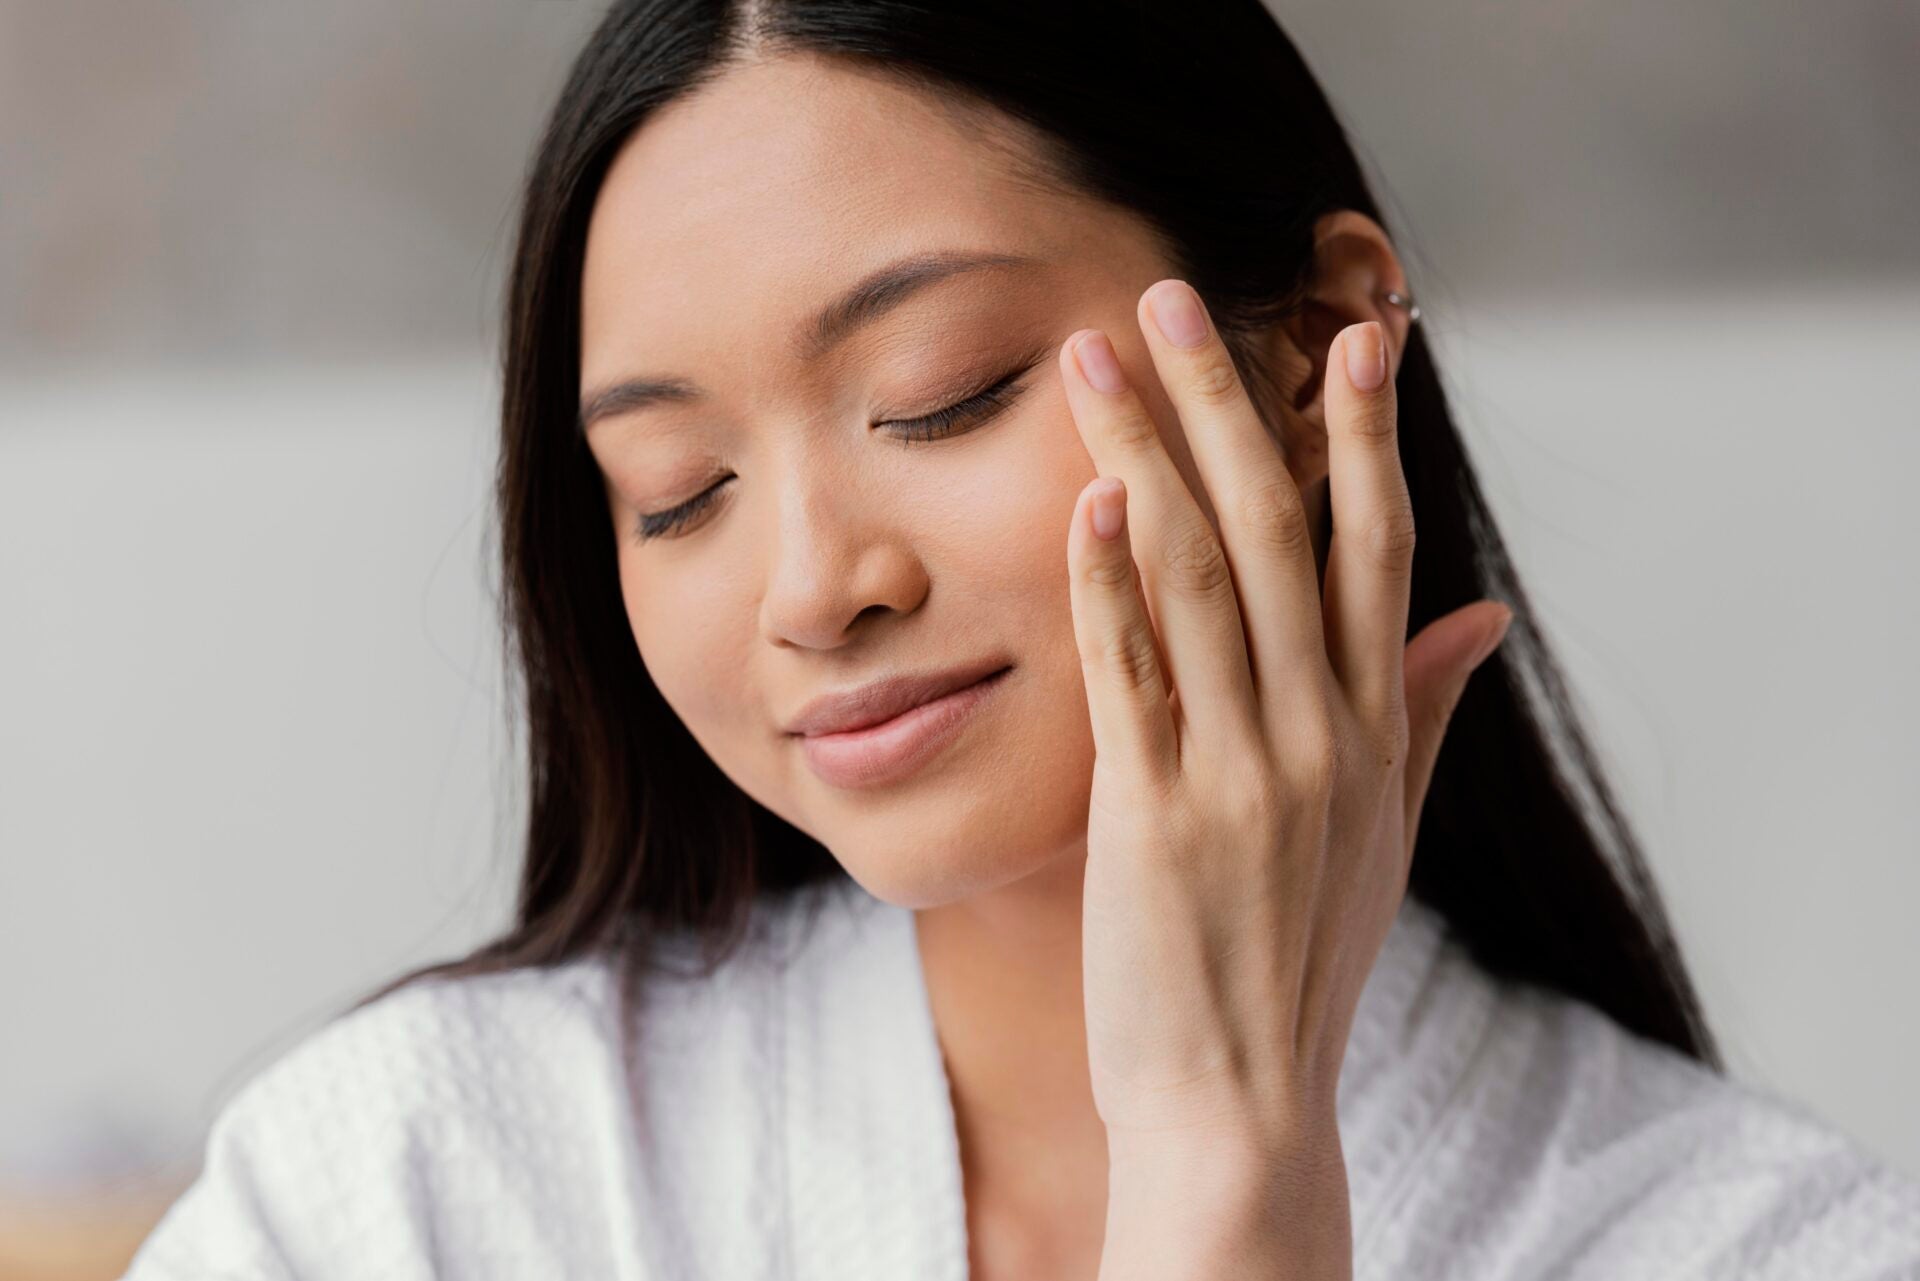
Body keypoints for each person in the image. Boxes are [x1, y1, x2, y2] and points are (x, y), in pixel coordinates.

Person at [122, 2, 1920, 1278]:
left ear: (1311, 350)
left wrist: (1226, 1172)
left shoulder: (1758, 1244)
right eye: (677, 491)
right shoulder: (410, 1191)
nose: (812, 588)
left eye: (943, 392)